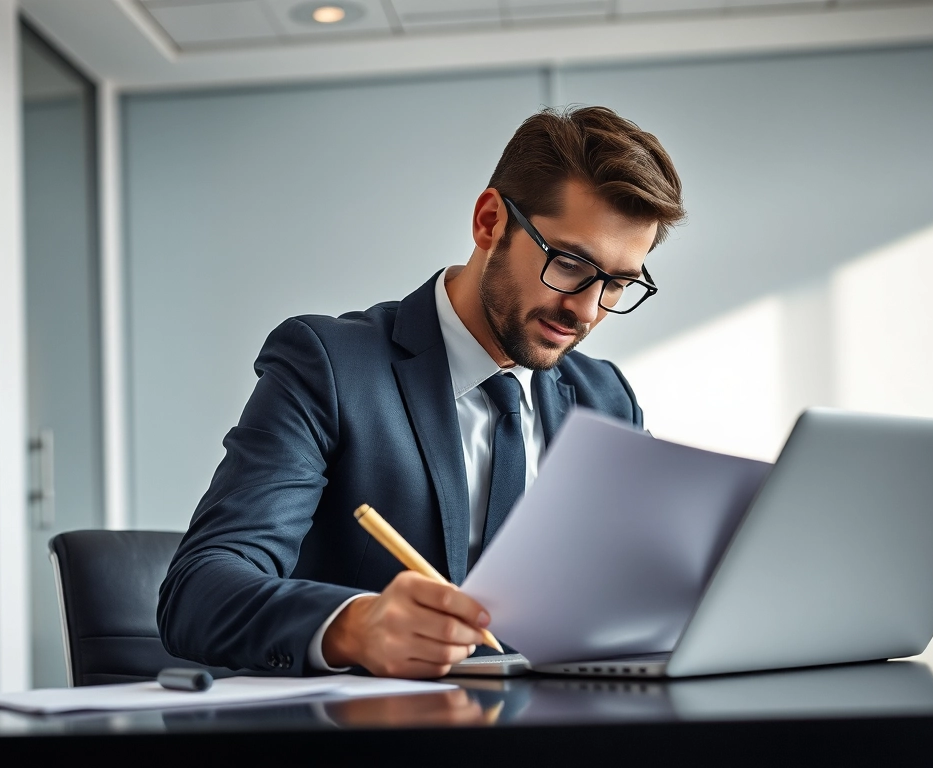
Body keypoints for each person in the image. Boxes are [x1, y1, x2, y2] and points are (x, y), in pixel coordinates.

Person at [158, 106, 685, 678]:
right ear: (490, 222)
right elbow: (198, 590)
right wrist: (354, 627)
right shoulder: (329, 365)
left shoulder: (606, 400)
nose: (586, 309)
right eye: (570, 264)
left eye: (618, 283)